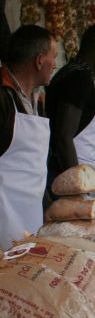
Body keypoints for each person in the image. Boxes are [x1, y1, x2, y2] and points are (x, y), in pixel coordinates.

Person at [0, 25, 57, 250]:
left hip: (31, 217)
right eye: (54, 57)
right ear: (39, 61)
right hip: (4, 220)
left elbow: (33, 163)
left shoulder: (37, 100)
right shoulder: (3, 98)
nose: (55, 64)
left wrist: (47, 205)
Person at [46, 24, 95, 179]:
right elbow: (63, 138)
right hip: (70, 179)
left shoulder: (68, 73)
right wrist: (78, 186)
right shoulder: (79, 79)